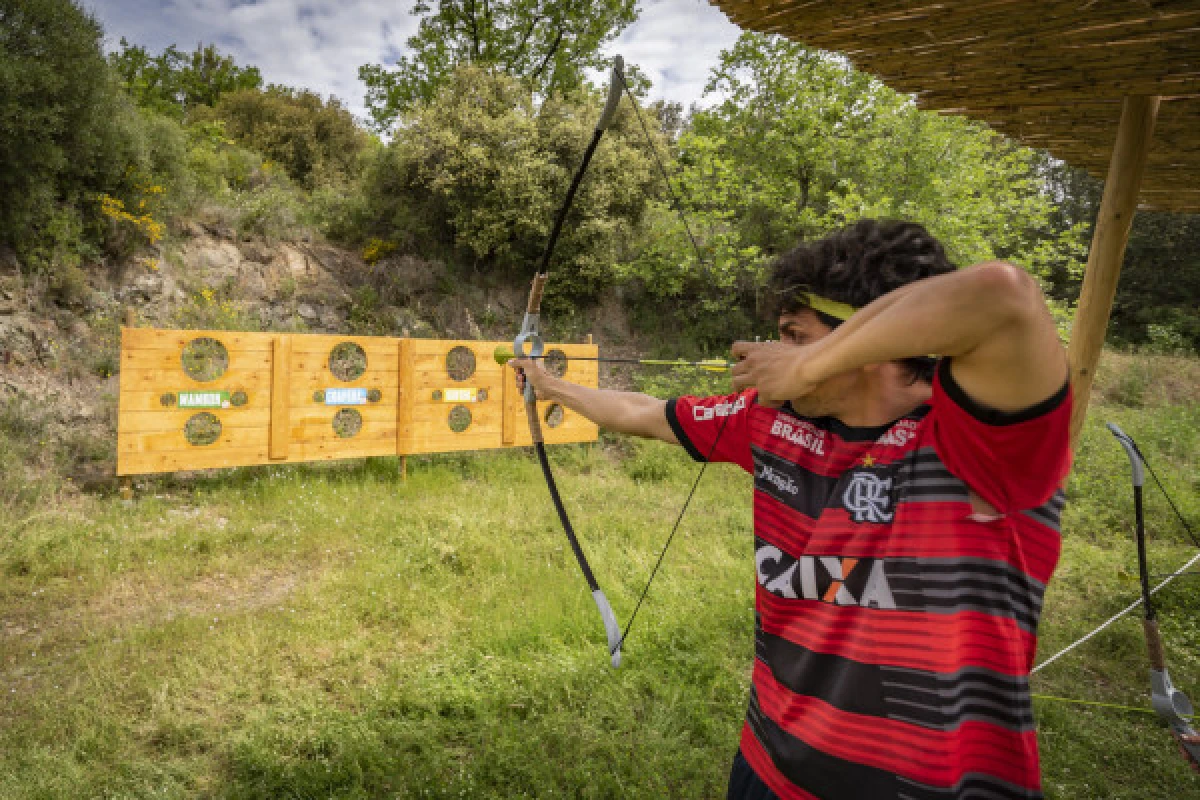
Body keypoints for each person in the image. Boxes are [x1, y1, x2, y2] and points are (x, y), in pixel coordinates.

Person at [514, 219, 1072, 800]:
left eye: (791, 334)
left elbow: (1004, 295)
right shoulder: (771, 422)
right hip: (770, 769)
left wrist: (807, 365)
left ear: (868, 334)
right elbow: (639, 411)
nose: (771, 352)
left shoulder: (986, 445)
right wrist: (549, 385)